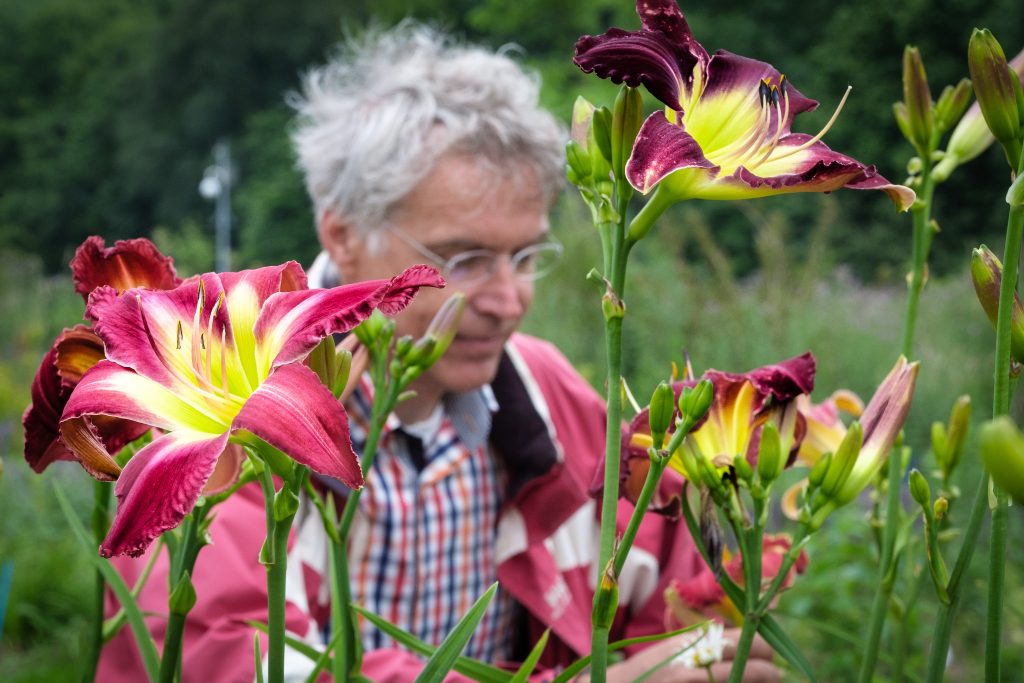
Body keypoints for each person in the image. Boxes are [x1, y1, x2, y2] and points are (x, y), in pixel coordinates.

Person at [99, 23, 779, 682]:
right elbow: (230, 655)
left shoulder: (547, 392)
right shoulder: (221, 417)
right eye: (466, 258)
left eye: (525, 255)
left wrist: (728, 601)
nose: (509, 300)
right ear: (340, 233)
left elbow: (667, 575)